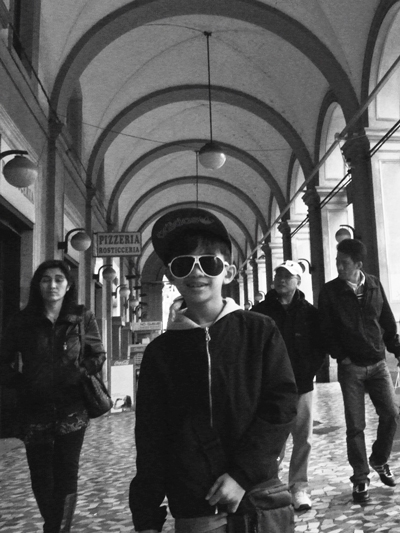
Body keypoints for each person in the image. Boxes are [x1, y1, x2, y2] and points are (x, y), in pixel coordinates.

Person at [129, 208, 298, 533]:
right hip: (195, 504)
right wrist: (146, 516)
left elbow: (281, 405)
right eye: (183, 264)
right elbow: (151, 437)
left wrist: (241, 475)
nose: (197, 272)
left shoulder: (259, 331)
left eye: (209, 263)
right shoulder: (159, 354)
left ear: (229, 272)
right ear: (171, 275)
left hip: (255, 500)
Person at [0, 259, 106, 532]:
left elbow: (97, 354)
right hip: (34, 407)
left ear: (68, 285)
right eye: (46, 279)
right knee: (41, 474)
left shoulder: (82, 317)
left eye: (59, 279)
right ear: (38, 285)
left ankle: (58, 529)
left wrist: (79, 373)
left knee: (66, 471)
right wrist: (21, 382)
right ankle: (54, 524)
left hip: (72, 407)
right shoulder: (22, 321)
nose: (52, 285)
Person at [318, 239, 400, 503]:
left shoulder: (374, 285)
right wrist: (341, 357)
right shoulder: (330, 291)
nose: (339, 267)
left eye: (344, 263)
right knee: (355, 426)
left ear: (359, 264)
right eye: (337, 262)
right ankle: (360, 478)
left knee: (391, 415)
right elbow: (325, 329)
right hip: (351, 367)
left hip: (377, 364)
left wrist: (397, 350)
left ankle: (379, 459)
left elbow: (387, 321)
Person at [252, 260, 325, 511]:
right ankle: (271, 485)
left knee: (303, 438)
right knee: (272, 438)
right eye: (279, 275)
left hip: (302, 386)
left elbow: (320, 347)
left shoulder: (310, 313)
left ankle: (299, 487)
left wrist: (307, 372)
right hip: (271, 388)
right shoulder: (260, 311)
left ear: (298, 281)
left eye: (288, 276)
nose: (282, 280)